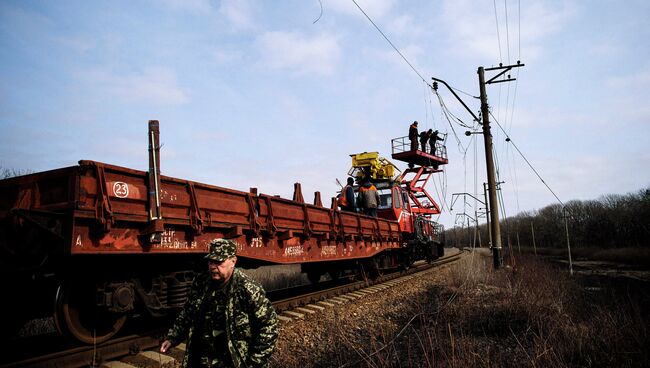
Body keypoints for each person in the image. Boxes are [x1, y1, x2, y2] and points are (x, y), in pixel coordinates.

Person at [160, 239, 278, 368]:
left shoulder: (247, 289)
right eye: (211, 261)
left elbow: (268, 326)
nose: (212, 266)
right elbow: (188, 312)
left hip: (231, 361)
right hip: (201, 359)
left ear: (233, 261)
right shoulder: (201, 282)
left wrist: (254, 363)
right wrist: (173, 337)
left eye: (219, 262)